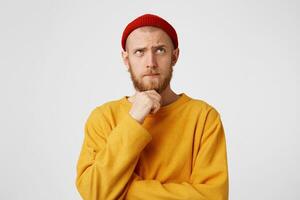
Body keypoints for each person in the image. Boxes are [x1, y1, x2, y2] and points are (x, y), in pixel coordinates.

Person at [75, 13, 229, 200]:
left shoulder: (204, 117)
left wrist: (124, 192)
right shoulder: (103, 117)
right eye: (140, 52)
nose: (151, 63)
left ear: (175, 56)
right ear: (126, 59)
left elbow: (213, 197)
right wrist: (133, 120)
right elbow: (94, 192)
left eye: (160, 50)